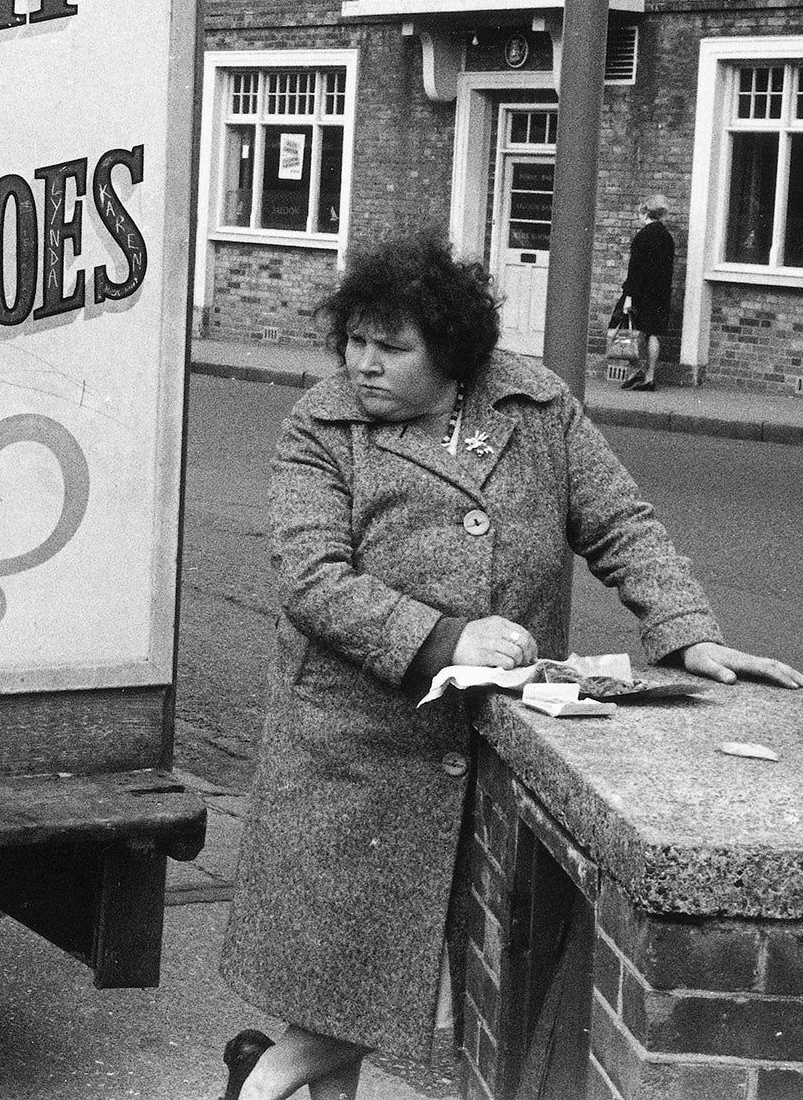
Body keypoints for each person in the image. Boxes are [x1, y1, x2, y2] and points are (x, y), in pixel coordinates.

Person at [216, 229, 800, 1100]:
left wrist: (686, 629)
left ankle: (262, 1078)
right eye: (355, 340)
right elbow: (313, 579)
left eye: (391, 347)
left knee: (386, 974)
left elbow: (618, 524)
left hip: (484, 739)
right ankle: (263, 1081)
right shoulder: (324, 423)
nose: (363, 364)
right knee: (349, 969)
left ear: (450, 351)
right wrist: (448, 637)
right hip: (351, 744)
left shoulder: (536, 406)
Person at [620, 194, 676, 391]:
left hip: (642, 293)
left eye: (639, 212)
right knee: (653, 334)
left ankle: (636, 372)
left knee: (633, 332)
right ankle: (649, 376)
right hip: (661, 293)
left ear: (645, 213)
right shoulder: (667, 237)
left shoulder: (642, 237)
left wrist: (629, 297)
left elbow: (635, 270)